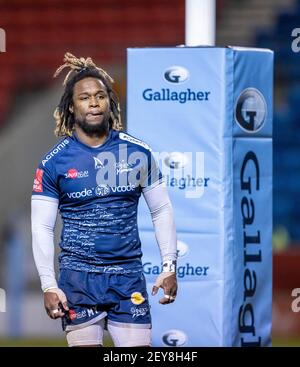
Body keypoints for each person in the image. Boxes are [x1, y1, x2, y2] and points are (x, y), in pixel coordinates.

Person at [31, 52, 178, 347]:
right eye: (85, 98)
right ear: (72, 107)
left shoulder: (138, 153)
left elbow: (161, 210)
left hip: (128, 279)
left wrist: (169, 267)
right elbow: (42, 228)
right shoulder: (53, 163)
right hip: (78, 281)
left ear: (110, 101)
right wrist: (49, 284)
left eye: (100, 96)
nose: (94, 103)